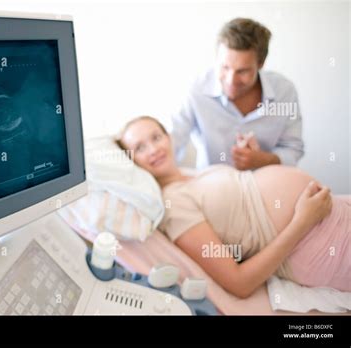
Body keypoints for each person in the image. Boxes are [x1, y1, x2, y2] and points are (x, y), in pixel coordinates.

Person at [117, 116, 350, 298]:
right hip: (314, 242)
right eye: (139, 148)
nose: (153, 149)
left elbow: (237, 207)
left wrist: (251, 156)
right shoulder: (172, 205)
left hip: (333, 210)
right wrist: (303, 222)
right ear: (131, 162)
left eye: (156, 137)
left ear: (169, 137)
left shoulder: (193, 174)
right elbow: (239, 283)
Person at [170, 18, 304, 170]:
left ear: (261, 64)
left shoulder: (284, 91)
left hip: (266, 185)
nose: (231, 80)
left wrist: (264, 160)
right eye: (225, 67)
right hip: (211, 186)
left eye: (242, 71)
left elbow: (293, 148)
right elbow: (172, 140)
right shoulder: (196, 89)